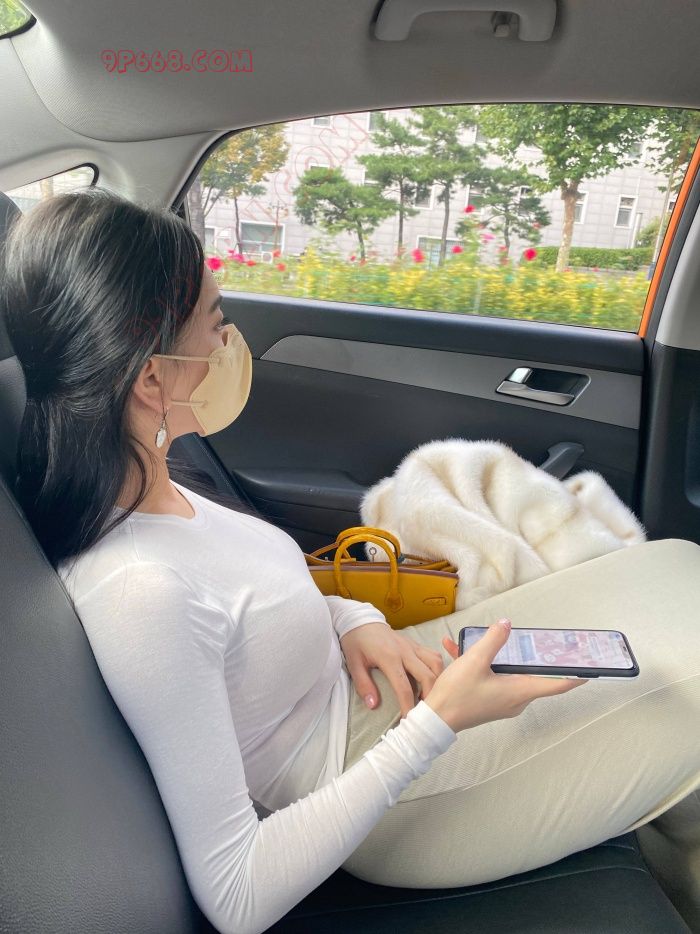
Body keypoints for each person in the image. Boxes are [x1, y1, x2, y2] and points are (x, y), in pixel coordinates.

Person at [2, 187, 700, 934]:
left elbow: (250, 606)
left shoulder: (154, 484)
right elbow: (237, 896)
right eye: (215, 321)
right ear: (150, 377)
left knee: (672, 566)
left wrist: (353, 618)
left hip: (373, 686)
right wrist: (440, 721)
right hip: (388, 792)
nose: (229, 340)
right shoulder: (139, 592)